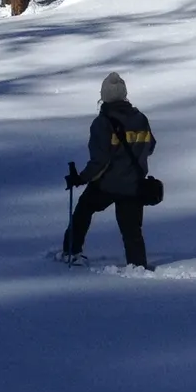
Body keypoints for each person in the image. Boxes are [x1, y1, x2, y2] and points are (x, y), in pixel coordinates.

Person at [64, 72, 156, 268]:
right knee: (132, 230)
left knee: (83, 211)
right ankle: (138, 266)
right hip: (134, 185)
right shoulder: (140, 118)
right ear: (124, 94)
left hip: (107, 184)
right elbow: (151, 146)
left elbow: (100, 160)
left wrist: (81, 178)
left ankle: (71, 252)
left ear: (103, 96)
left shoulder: (102, 123)